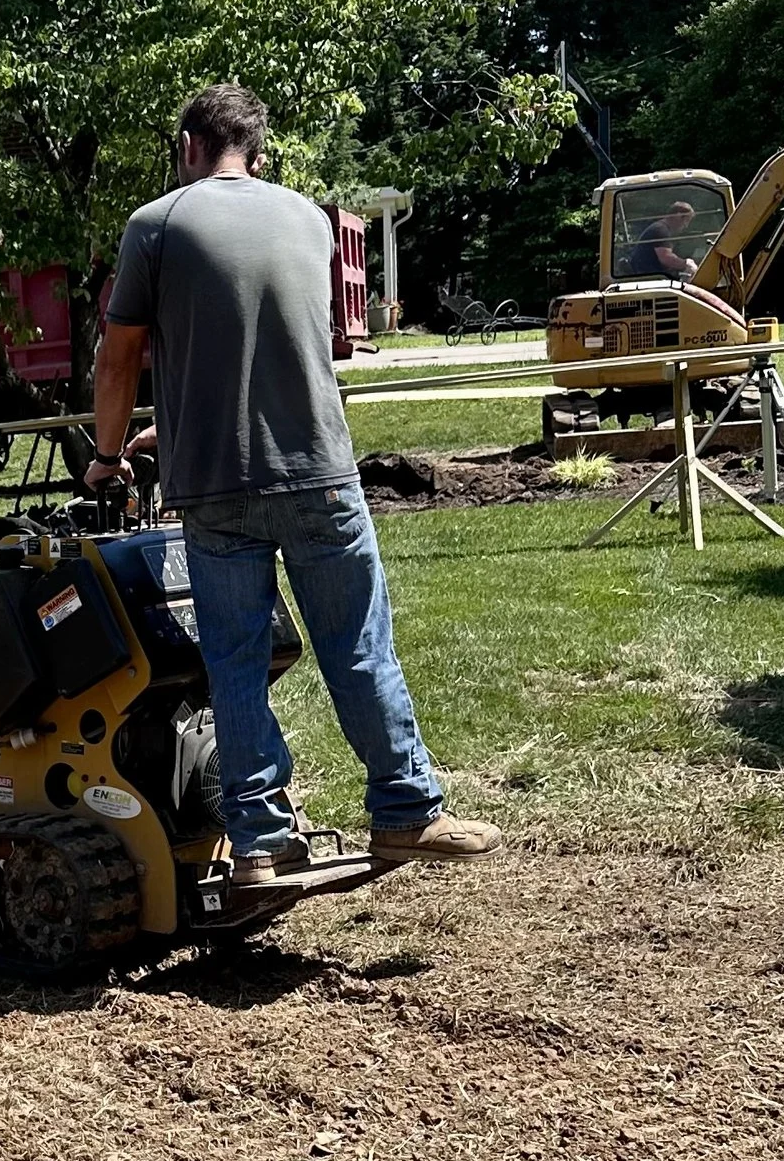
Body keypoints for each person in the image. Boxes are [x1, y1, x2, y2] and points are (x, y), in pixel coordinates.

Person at [86, 83, 498, 888]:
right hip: (316, 474)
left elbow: (119, 356)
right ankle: (407, 812)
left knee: (233, 664)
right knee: (357, 643)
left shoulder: (156, 224)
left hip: (214, 492)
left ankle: (263, 843)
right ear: (259, 155)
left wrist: (109, 453)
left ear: (187, 147)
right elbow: (284, 346)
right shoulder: (311, 219)